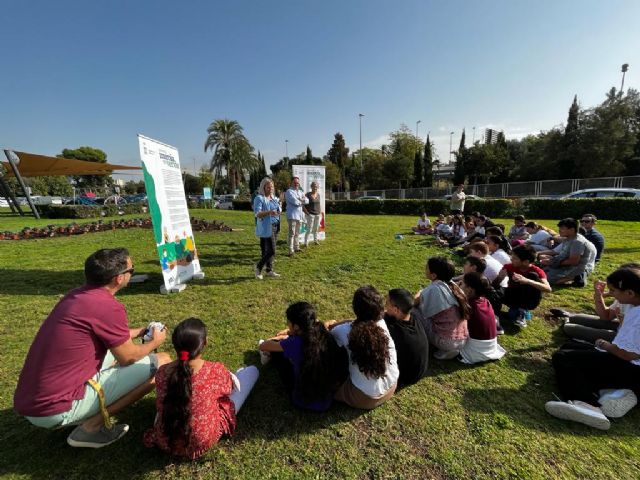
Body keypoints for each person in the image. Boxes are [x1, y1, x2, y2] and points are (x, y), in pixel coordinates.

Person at [14, 248, 171, 448]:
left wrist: (141, 332)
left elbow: (107, 335)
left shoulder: (76, 296)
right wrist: (154, 343)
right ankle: (90, 428)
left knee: (118, 356)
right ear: (119, 278)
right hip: (54, 409)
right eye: (131, 270)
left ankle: (86, 410)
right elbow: (128, 357)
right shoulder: (108, 306)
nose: (132, 273)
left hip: (31, 402)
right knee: (162, 364)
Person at [144, 318, 258, 459]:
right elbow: (230, 389)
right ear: (205, 343)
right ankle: (246, 371)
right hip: (200, 441)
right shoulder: (214, 371)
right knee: (252, 372)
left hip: (166, 439)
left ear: (175, 345)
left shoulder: (162, 372)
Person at [545, 266, 640, 430]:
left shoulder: (637, 314)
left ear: (630, 293)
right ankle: (612, 393)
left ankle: (587, 405)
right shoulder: (632, 305)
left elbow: (627, 354)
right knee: (569, 346)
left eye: (614, 291)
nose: (612, 294)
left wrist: (605, 344)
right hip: (629, 364)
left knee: (564, 357)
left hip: (632, 369)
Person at [258, 302, 347, 411]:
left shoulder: (295, 343)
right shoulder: (325, 334)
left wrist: (281, 337)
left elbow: (263, 346)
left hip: (303, 401)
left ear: (296, 326)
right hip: (327, 400)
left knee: (279, 355)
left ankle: (269, 357)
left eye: (288, 323)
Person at [326, 286, 399, 409]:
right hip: (392, 386)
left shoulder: (343, 331)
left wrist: (330, 324)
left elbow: (330, 331)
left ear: (355, 308)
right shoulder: (382, 323)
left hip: (366, 398)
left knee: (327, 387)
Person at [558, 263, 640, 343]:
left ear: (630, 293)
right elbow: (606, 316)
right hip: (622, 328)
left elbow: (633, 338)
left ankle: (567, 325)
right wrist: (598, 295)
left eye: (612, 290)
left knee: (569, 328)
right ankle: (569, 317)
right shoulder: (625, 299)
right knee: (575, 317)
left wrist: (623, 322)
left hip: (627, 339)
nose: (610, 293)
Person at [415, 257, 469, 360]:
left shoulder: (434, 289)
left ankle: (441, 347)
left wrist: (418, 295)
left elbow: (415, 305)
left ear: (434, 275)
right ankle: (449, 349)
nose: (425, 269)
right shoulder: (454, 286)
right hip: (462, 339)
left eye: (427, 267)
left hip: (446, 341)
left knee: (413, 312)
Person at [492, 245, 552, 327]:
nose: (511, 259)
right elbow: (495, 285)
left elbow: (548, 289)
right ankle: (494, 313)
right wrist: (499, 278)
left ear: (526, 262)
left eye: (515, 258)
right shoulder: (509, 267)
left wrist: (527, 281)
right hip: (513, 295)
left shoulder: (537, 271)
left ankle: (521, 313)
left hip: (528, 299)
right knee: (494, 291)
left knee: (532, 276)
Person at [383, 289, 429, 387]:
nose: (385, 306)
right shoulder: (414, 318)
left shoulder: (391, 329)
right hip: (418, 372)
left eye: (387, 303)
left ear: (396, 310)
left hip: (403, 377)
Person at [458, 272, 506, 364]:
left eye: (462, 283)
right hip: (490, 347)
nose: (459, 284)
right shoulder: (485, 301)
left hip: (475, 351)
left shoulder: (467, 305)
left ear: (469, 290)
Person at [539, 218, 597, 287]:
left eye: (562, 228)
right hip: (563, 265)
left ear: (572, 229)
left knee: (546, 280)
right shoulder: (568, 238)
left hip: (574, 268)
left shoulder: (577, 242)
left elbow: (573, 261)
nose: (559, 230)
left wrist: (552, 262)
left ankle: (576, 277)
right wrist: (552, 261)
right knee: (541, 273)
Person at [253, 177, 281, 279]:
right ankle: (258, 267)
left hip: (276, 225)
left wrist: (279, 209)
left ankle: (269, 270)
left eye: (272, 187)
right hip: (267, 227)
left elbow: (277, 209)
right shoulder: (259, 198)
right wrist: (269, 212)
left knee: (269, 250)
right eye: (268, 187)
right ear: (263, 187)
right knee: (272, 251)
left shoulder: (273, 198)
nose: (271, 189)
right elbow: (257, 214)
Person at [284, 176, 308, 256]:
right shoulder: (289, 192)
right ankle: (291, 250)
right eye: (295, 182)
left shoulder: (300, 191)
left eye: (297, 183)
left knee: (297, 232)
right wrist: (301, 200)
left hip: (299, 215)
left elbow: (307, 200)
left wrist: (301, 200)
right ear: (291, 183)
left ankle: (296, 247)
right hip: (292, 215)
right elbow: (295, 202)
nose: (296, 184)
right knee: (292, 233)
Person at [303, 181, 322, 246]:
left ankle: (315, 240)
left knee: (316, 229)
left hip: (317, 214)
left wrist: (320, 212)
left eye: (316, 186)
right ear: (311, 187)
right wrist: (307, 213)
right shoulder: (307, 194)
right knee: (309, 229)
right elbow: (303, 205)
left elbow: (319, 205)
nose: (315, 187)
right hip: (310, 214)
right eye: (314, 186)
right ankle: (306, 242)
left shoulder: (318, 195)